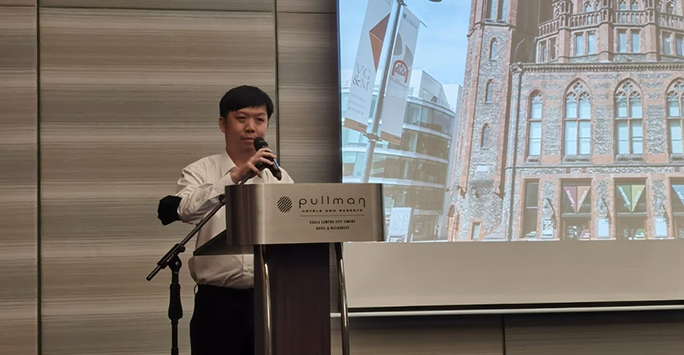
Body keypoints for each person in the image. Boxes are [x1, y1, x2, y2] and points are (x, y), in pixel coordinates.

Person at [175, 85, 294, 355]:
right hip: (217, 303)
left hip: (268, 301)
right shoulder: (200, 170)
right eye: (241, 119)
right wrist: (233, 178)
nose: (251, 128)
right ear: (222, 124)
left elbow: (294, 226)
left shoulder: (279, 176)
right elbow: (185, 210)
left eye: (259, 120)